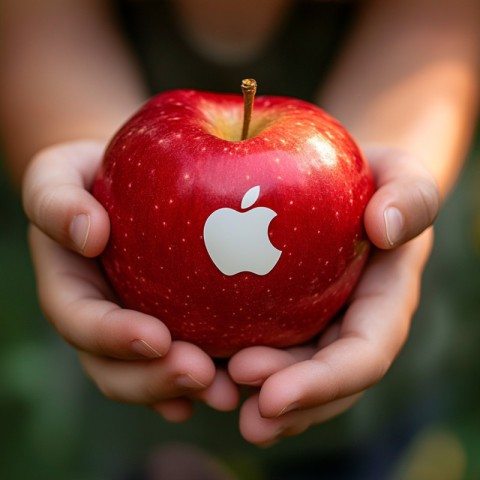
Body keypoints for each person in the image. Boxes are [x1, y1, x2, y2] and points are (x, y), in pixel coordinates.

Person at [0, 0, 478, 450]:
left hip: (375, 338)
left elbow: (435, 24)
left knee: (372, 451)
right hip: (137, 344)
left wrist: (389, 179)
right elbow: (40, 22)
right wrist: (77, 170)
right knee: (139, 451)